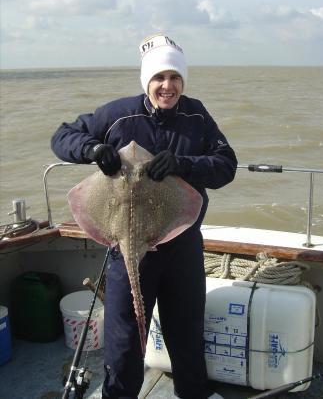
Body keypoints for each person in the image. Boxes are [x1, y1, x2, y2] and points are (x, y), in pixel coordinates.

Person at [51, 34, 237, 399]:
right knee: (123, 344)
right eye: (159, 78)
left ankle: (192, 394)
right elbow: (63, 135)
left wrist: (184, 164)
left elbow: (226, 165)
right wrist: (94, 148)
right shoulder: (119, 115)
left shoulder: (197, 116)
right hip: (126, 246)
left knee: (186, 334)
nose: (167, 86)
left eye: (175, 78)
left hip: (181, 244)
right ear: (147, 81)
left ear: (183, 81)